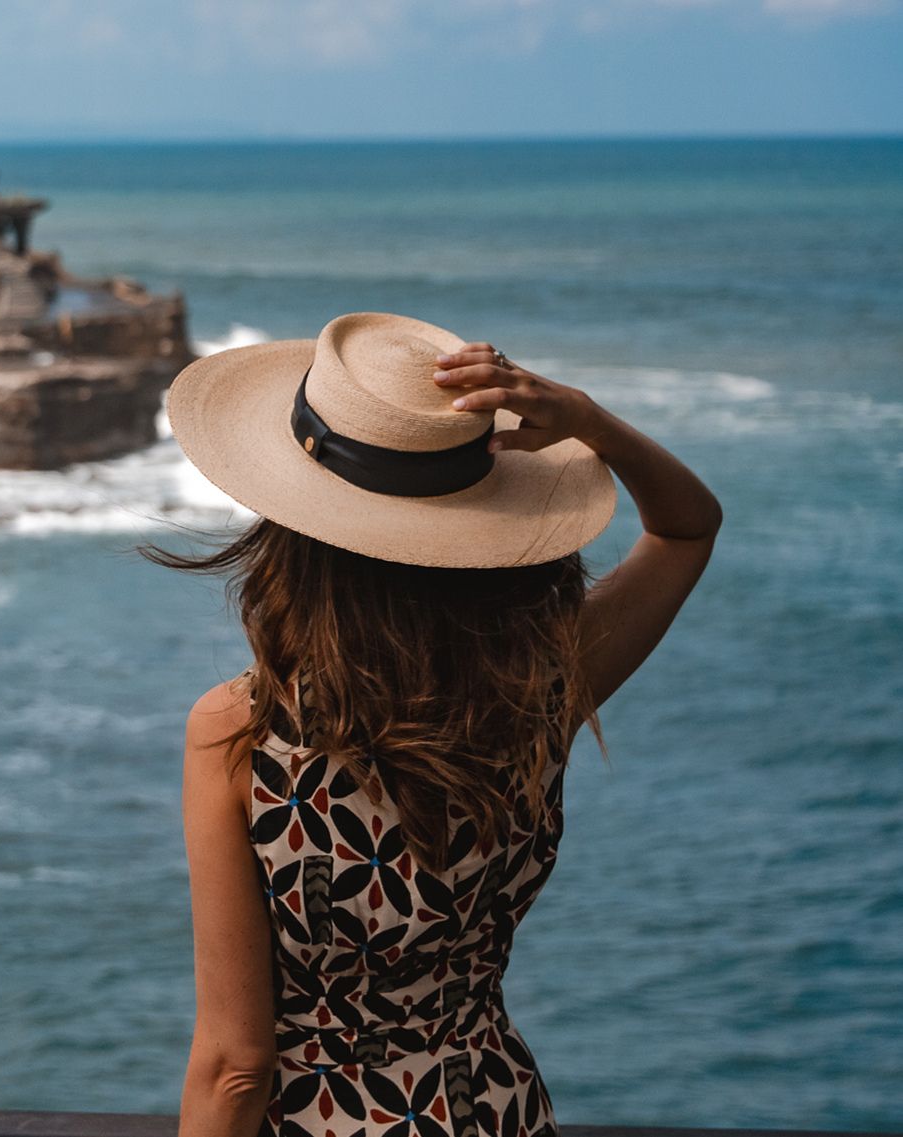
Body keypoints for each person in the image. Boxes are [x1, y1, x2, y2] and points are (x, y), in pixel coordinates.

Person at [153, 313, 722, 1137]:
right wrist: (589, 421)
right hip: (494, 1111)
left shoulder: (239, 734)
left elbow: (235, 1065)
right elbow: (686, 527)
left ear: (298, 531)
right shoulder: (539, 689)